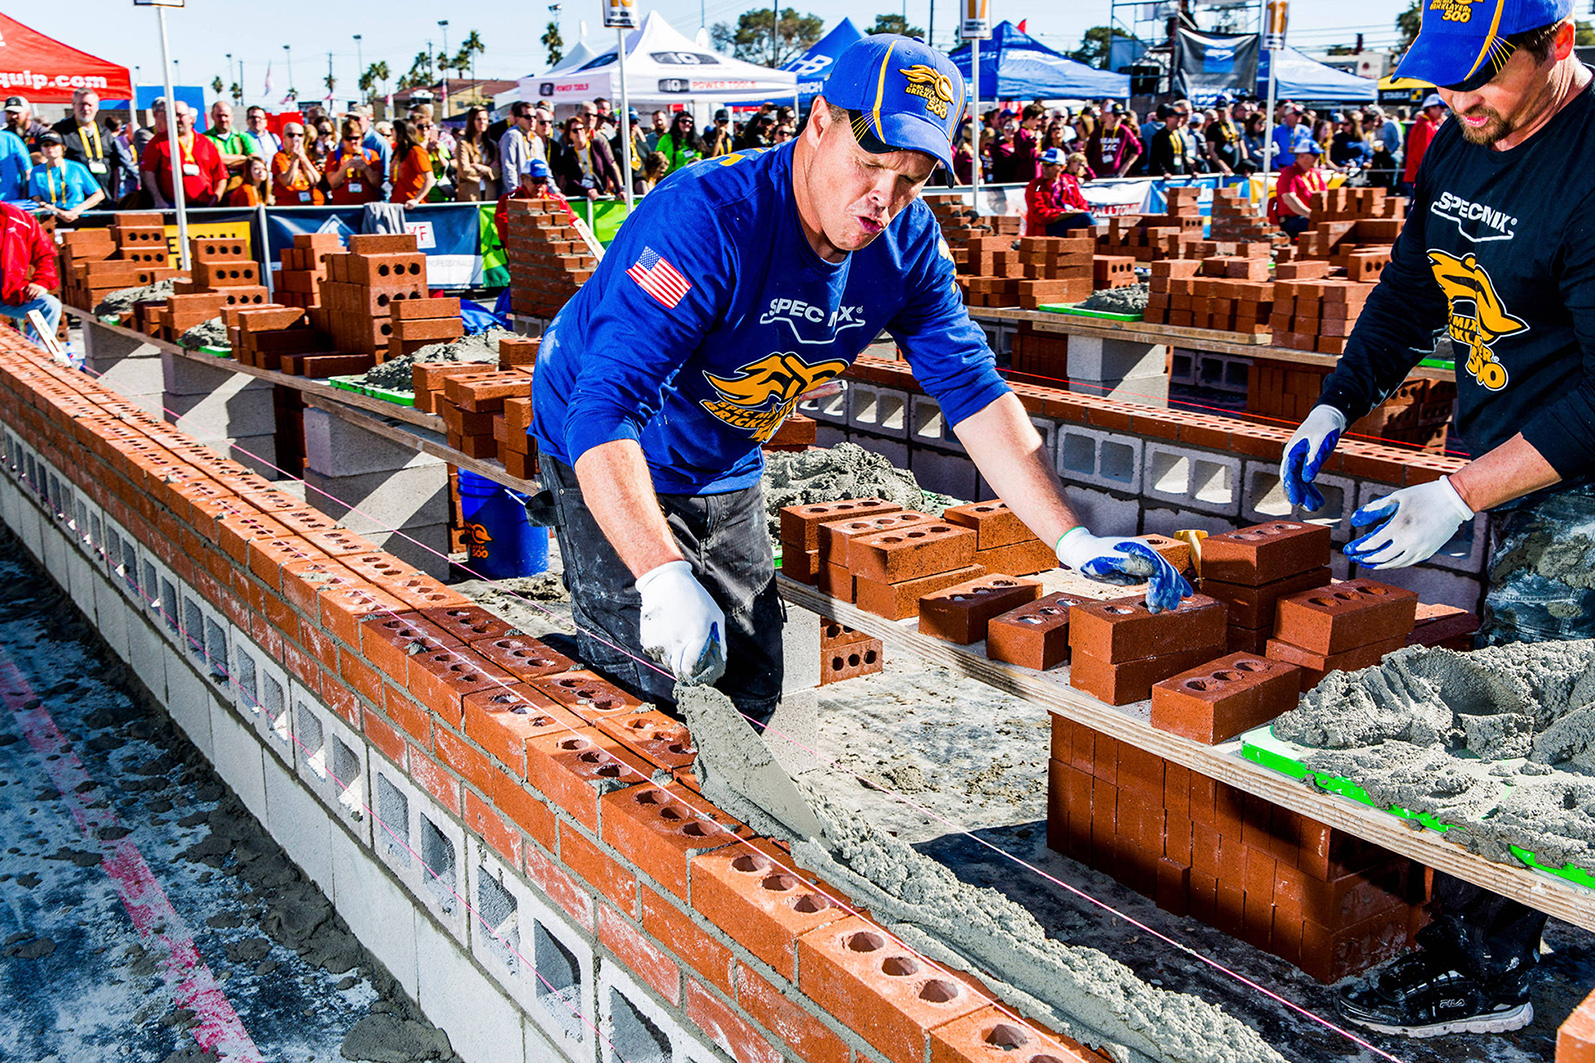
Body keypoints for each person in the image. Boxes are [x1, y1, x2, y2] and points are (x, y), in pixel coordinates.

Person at [526, 35, 1191, 725]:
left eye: (911, 179)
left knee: (752, 682)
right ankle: (594, 648)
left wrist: (1070, 538)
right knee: (645, 687)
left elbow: (970, 386)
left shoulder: (906, 247)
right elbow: (602, 411)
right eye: (868, 164)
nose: (883, 199)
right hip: (603, 442)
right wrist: (661, 572)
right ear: (818, 123)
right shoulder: (706, 220)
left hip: (723, 448)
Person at [1278, 3, 1595, 1039]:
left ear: (1555, 46)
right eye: (1439, 81)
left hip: (1581, 483)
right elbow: (1411, 286)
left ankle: (1488, 967)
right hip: (1512, 461)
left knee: (1523, 712)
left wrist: (1456, 493)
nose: (1455, 103)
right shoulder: (1455, 143)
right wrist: (1336, 397)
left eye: (1478, 79)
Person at [141, 101, 228, 208]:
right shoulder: (157, 142)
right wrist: (158, 200)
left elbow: (221, 176)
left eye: (180, 115)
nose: (177, 119)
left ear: (190, 118)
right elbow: (148, 173)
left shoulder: (205, 142)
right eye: (172, 116)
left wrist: (216, 198)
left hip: (204, 206)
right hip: (172, 206)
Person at [0, 200, 59, 343]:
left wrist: (41, 282)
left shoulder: (17, 218)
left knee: (49, 306)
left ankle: (40, 357)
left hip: (7, 294)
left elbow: (44, 254)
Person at [28, 131, 104, 221]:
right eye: (46, 145)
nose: (50, 148)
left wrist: (78, 209)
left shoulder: (77, 168)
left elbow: (98, 194)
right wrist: (57, 212)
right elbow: (36, 200)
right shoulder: (36, 172)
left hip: (78, 217)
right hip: (51, 218)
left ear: (62, 147)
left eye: (54, 144)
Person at [53, 90, 113, 196]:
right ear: (73, 105)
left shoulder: (105, 133)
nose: (85, 109)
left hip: (105, 196)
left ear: (97, 107)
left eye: (89, 105)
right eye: (81, 104)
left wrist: (116, 193)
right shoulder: (60, 131)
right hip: (74, 199)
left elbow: (115, 165)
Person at [1267, 132, 1326, 237]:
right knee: (1322, 228)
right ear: (1302, 156)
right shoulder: (1288, 173)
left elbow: (1325, 194)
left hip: (1311, 217)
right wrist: (1310, 214)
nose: (1318, 158)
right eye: (1315, 155)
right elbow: (1289, 199)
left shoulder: (1315, 174)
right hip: (1294, 219)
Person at [1025, 148, 1094, 236]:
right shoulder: (1035, 185)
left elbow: (1082, 205)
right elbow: (1039, 214)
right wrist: (1064, 213)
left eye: (1049, 165)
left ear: (1062, 167)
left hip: (1066, 225)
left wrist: (1074, 212)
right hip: (1045, 228)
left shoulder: (1069, 182)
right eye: (1043, 164)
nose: (1045, 168)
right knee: (1084, 218)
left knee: (1085, 217)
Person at [553, 116, 620, 200]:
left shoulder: (597, 145)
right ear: (569, 135)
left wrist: (619, 190)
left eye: (581, 129)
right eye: (575, 130)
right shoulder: (568, 154)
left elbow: (609, 167)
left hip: (599, 193)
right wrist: (587, 191)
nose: (579, 132)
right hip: (580, 195)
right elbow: (571, 180)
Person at [325, 120, 383, 205]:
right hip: (342, 207)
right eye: (348, 139)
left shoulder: (371, 154)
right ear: (343, 139)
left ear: (362, 138)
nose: (353, 142)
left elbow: (377, 183)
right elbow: (333, 184)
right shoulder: (334, 156)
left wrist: (367, 169)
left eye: (356, 138)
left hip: (367, 206)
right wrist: (344, 169)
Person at [1403, 93, 1448, 192]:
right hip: (1420, 175)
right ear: (1430, 108)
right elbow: (1422, 153)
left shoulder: (1428, 124)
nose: (1444, 110)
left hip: (1421, 174)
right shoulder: (1425, 125)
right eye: (1441, 107)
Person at [271, 123, 323, 205]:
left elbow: (316, 180)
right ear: (284, 138)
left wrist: (304, 159)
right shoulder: (279, 156)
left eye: (300, 135)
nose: (296, 138)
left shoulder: (308, 156)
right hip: (290, 205)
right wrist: (294, 160)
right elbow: (287, 182)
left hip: (311, 203)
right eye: (291, 135)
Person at [457, 106, 500, 202]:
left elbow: (497, 172)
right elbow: (464, 171)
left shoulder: (492, 145)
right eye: (479, 119)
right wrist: (489, 171)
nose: (482, 122)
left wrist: (483, 169)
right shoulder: (463, 143)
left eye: (485, 119)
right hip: (470, 194)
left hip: (489, 193)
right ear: (472, 121)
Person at [1085, 105, 1141, 177]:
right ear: (1107, 115)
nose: (1118, 118)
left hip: (1115, 174)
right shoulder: (1097, 132)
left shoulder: (1124, 131)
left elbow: (1137, 149)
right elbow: (1088, 153)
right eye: (1115, 115)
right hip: (1097, 174)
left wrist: (1125, 166)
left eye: (1120, 115)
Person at [389, 119, 435, 207]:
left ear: (400, 132)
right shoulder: (398, 150)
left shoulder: (416, 151)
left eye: (393, 129)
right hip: (398, 202)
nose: (391, 133)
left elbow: (429, 179)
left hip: (414, 204)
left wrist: (416, 200)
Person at [499, 102, 539, 196]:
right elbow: (508, 166)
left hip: (534, 191)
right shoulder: (512, 135)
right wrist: (515, 192)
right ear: (517, 118)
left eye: (534, 117)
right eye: (528, 117)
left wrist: (554, 190)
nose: (532, 120)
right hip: (518, 193)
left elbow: (544, 167)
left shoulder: (536, 139)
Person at [204, 101, 251, 174]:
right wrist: (241, 158)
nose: (223, 119)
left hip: (242, 183)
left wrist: (223, 165)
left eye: (226, 116)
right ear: (212, 116)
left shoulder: (244, 137)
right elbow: (212, 159)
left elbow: (253, 161)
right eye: (219, 116)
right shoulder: (204, 139)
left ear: (232, 116)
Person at [1147, 104, 1190, 176]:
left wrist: (1191, 171)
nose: (1180, 120)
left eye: (1181, 117)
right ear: (1168, 118)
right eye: (1177, 117)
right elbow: (1155, 158)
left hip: (1179, 171)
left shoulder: (1178, 134)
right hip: (1165, 175)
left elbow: (1183, 155)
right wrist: (1164, 172)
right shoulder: (1160, 136)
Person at [1204, 96, 1244, 175]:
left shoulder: (1236, 126)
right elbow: (1211, 150)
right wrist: (1222, 166)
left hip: (1235, 166)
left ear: (1229, 110)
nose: (1220, 113)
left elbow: (1242, 146)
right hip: (1220, 169)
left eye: (1222, 111)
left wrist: (1244, 162)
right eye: (1218, 111)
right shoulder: (1213, 127)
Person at [418, 118, 454, 202]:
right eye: (421, 127)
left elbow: (447, 168)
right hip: (422, 195)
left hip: (440, 192)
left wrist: (437, 153)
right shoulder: (415, 148)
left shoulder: (439, 145)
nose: (425, 130)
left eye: (428, 127)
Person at [1270, 101, 1304, 169]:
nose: (1299, 117)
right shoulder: (1277, 131)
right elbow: (1271, 152)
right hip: (1282, 167)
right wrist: (1276, 167)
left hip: (1300, 167)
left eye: (1301, 115)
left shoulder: (1305, 130)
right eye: (1296, 115)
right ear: (1288, 115)